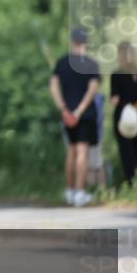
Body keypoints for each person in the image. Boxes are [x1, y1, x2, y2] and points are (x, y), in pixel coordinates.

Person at [50, 28, 100, 206]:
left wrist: (64, 109)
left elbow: (54, 87)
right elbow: (92, 89)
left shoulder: (61, 63)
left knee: (71, 150)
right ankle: (79, 192)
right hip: (85, 114)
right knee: (82, 151)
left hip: (67, 113)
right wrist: (79, 111)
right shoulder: (91, 64)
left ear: (72, 42)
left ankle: (70, 192)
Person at [110, 41, 137, 188]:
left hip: (123, 118)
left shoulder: (117, 75)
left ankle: (132, 183)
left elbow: (114, 100)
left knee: (127, 153)